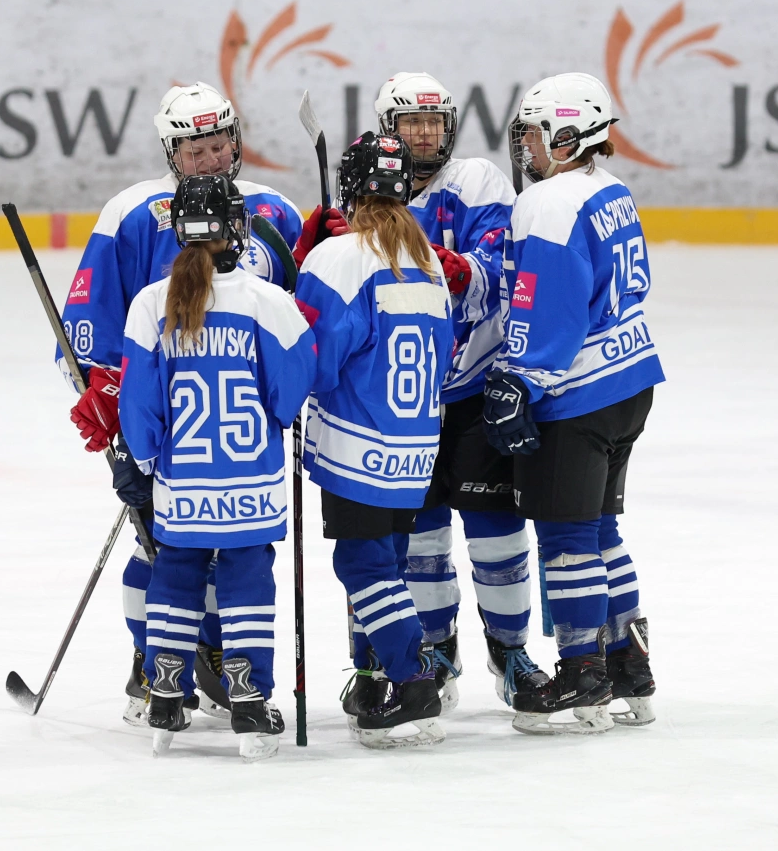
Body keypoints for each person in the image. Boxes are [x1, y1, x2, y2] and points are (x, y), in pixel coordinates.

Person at [61, 83, 303, 726]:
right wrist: (111, 400)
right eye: (196, 151)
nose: (211, 159)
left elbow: (302, 307)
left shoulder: (275, 211)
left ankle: (215, 658)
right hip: (169, 428)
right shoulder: (132, 214)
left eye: (219, 145)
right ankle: (149, 667)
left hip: (241, 426)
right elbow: (89, 324)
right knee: (159, 548)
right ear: (172, 152)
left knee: (214, 550)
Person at [112, 175, 315, 760]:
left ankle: (165, 693)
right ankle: (248, 698)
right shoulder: (267, 302)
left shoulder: (151, 303)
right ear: (239, 230)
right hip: (251, 478)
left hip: (183, 478)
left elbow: (139, 400)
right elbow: (291, 390)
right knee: (247, 575)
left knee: (176, 571)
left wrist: (144, 457)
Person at [484, 73, 663, 734]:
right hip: (630, 381)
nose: (525, 145)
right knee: (600, 530)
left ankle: (582, 672)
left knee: (566, 539)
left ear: (565, 136)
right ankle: (629, 666)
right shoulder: (610, 189)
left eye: (534, 133)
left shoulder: (549, 203)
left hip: (578, 393)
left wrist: (521, 380)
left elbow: (549, 308)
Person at [372, 72, 546, 714]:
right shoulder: (370, 189)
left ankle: (511, 653)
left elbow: (502, 268)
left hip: (476, 388)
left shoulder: (475, 181)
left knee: (497, 532)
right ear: (389, 130)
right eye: (411, 123)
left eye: (434, 122)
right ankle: (435, 650)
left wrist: (458, 269)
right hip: (405, 399)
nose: (425, 134)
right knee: (420, 537)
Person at [294, 132, 453, 749]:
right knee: (386, 565)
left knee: (361, 564)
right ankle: (379, 676)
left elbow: (316, 359)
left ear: (350, 189)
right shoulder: (427, 257)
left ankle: (413, 679)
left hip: (356, 442)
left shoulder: (338, 258)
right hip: (416, 446)